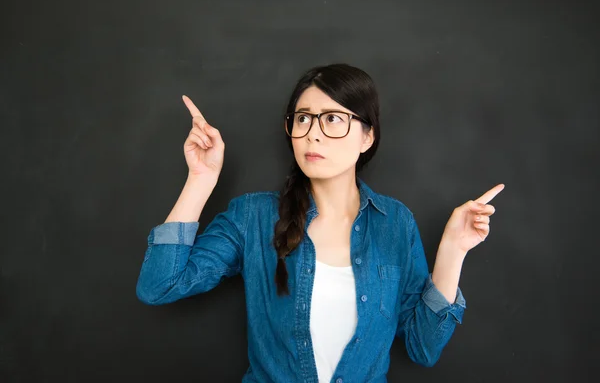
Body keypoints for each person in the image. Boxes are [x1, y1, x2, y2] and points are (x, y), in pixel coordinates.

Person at [136, 63, 504, 383]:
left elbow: (423, 348)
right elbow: (159, 286)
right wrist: (201, 179)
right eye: (303, 118)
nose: (312, 132)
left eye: (332, 119)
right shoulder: (253, 217)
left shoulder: (395, 224)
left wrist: (454, 251)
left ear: (367, 136)